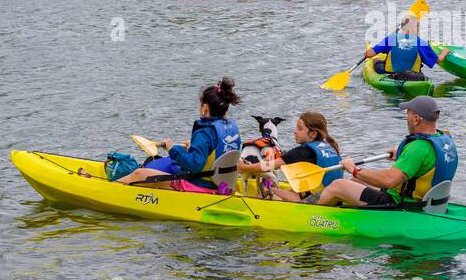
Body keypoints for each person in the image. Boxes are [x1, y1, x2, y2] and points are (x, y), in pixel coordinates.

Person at [317, 96, 457, 208]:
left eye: (407, 114)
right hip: (429, 202)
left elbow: (388, 181)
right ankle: (343, 209)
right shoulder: (444, 138)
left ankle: (314, 219)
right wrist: (402, 154)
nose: (406, 119)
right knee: (356, 180)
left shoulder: (417, 148)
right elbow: (428, 162)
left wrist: (354, 169)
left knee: (338, 185)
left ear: (416, 119)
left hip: (402, 204)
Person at [111, 79, 243, 189]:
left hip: (199, 186)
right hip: (221, 185)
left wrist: (172, 149)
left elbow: (194, 166)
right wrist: (192, 147)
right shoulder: (231, 127)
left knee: (139, 174)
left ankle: (108, 191)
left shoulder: (204, 132)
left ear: (205, 108)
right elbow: (216, 153)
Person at [240, 111, 343, 202]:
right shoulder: (329, 147)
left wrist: (244, 168)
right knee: (283, 189)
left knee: (265, 188)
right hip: (334, 197)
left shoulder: (304, 151)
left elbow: (270, 166)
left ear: (313, 134)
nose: (295, 131)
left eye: (300, 128)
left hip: (318, 200)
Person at [366, 13, 449, 81]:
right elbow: (438, 60)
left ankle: (377, 61)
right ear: (416, 29)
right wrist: (444, 52)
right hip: (413, 76)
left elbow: (369, 54)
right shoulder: (422, 43)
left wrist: (368, 51)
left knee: (377, 61)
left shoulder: (391, 38)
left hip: (389, 73)